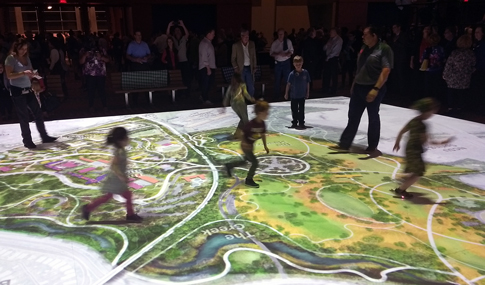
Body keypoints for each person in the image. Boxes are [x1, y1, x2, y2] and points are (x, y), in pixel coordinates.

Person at [334, 26, 393, 156]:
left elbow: (386, 70)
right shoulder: (364, 48)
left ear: (374, 36)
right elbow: (360, 68)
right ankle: (344, 143)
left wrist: (376, 89)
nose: (363, 37)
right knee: (353, 116)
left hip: (373, 87)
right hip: (359, 87)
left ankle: (372, 146)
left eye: (365, 34)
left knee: (373, 117)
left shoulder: (384, 49)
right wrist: (354, 84)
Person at [392, 98, 453, 198]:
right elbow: (428, 141)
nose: (433, 114)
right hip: (414, 150)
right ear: (427, 111)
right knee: (418, 173)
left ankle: (405, 179)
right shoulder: (422, 125)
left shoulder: (413, 121)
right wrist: (442, 142)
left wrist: (397, 142)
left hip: (409, 148)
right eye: (432, 111)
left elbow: (401, 131)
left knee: (414, 168)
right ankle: (401, 190)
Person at [4, 38, 57, 149]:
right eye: (22, 49)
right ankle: (27, 140)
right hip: (17, 91)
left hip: (28, 89)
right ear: (16, 48)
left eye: (26, 49)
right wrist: (23, 73)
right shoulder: (10, 59)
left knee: (38, 113)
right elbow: (9, 76)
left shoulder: (26, 57)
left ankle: (44, 136)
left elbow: (30, 71)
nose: (24, 51)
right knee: (24, 116)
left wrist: (33, 75)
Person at [82, 127, 143, 222]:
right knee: (122, 196)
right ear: (121, 140)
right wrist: (121, 176)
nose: (129, 139)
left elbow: (119, 163)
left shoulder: (121, 150)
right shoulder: (119, 152)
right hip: (115, 180)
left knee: (111, 196)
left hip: (116, 179)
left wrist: (125, 164)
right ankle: (130, 215)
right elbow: (113, 166)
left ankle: (88, 208)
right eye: (127, 137)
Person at [225, 100, 270, 188]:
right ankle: (249, 180)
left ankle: (230, 165)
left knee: (245, 161)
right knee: (255, 163)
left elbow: (263, 134)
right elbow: (241, 134)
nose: (267, 114)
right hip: (245, 146)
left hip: (251, 145)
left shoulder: (262, 124)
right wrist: (244, 143)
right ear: (260, 113)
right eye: (266, 112)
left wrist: (265, 146)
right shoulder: (251, 124)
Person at [442, 35, 476, 115]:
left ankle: (451, 109)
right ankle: (460, 109)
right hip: (465, 78)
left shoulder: (455, 53)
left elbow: (449, 64)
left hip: (453, 78)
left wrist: (445, 75)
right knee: (461, 95)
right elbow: (473, 65)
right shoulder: (471, 54)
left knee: (451, 94)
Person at [223, 73, 256, 139]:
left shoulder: (231, 86)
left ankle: (237, 134)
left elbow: (227, 96)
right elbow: (245, 94)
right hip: (240, 104)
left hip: (233, 105)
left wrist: (224, 105)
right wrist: (251, 99)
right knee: (245, 120)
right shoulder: (242, 85)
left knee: (242, 119)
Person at [79, 45, 109, 112]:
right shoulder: (83, 50)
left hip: (100, 74)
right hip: (89, 74)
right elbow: (81, 62)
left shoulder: (102, 49)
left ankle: (105, 105)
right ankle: (91, 106)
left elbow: (107, 60)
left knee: (102, 90)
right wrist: (85, 55)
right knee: (90, 91)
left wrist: (101, 57)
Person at [284, 56, 310, 129]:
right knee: (294, 109)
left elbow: (308, 83)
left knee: (301, 110)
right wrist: (286, 93)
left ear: (302, 63)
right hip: (294, 96)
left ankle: (301, 122)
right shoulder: (292, 74)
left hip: (302, 95)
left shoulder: (305, 73)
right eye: (296, 65)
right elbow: (288, 84)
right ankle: (295, 122)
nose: (298, 66)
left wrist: (307, 92)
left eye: (299, 64)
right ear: (294, 64)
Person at [231, 29, 257, 98]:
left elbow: (254, 56)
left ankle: (250, 99)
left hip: (249, 68)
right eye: (245, 37)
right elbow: (233, 58)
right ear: (241, 37)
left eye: (248, 37)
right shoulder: (236, 46)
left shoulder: (252, 44)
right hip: (240, 69)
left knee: (251, 86)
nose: (247, 38)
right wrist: (236, 67)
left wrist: (254, 66)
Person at [270, 29, 294, 101]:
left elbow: (291, 51)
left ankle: (288, 95)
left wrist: (286, 54)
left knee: (287, 79)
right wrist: (278, 54)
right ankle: (276, 95)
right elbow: (271, 53)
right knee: (277, 80)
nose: (280, 36)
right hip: (278, 62)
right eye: (279, 34)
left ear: (284, 34)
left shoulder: (288, 42)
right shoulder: (275, 43)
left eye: (282, 34)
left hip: (286, 62)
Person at [198, 28, 217, 105]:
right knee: (206, 83)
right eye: (213, 34)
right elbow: (204, 57)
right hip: (206, 67)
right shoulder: (204, 43)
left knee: (209, 83)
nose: (214, 35)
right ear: (208, 34)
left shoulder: (208, 43)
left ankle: (203, 96)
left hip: (210, 66)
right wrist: (208, 68)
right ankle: (205, 98)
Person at [323, 28, 343, 95]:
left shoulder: (339, 40)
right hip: (328, 58)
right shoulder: (330, 39)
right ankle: (326, 88)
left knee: (334, 75)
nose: (330, 34)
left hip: (333, 58)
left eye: (331, 32)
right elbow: (326, 47)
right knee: (327, 74)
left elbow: (335, 51)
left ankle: (333, 90)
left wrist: (328, 57)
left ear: (335, 32)